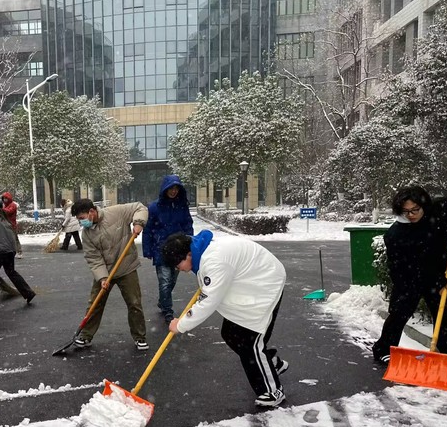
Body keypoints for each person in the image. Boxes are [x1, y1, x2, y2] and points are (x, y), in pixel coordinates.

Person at [162, 231, 288, 407]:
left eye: (177, 264)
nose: (178, 269)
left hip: (265, 283)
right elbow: (209, 291)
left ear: (188, 254)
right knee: (230, 333)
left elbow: (209, 301)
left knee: (250, 342)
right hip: (249, 281)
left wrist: (181, 325)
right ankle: (271, 363)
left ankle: (272, 391)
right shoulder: (202, 253)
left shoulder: (214, 261)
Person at [372, 186, 447, 366]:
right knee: (399, 313)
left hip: (436, 272)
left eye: (415, 210)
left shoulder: (437, 212)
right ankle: (383, 350)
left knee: (442, 316)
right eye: (406, 211)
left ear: (424, 205)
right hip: (408, 277)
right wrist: (439, 281)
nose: (411, 214)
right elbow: (410, 266)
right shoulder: (396, 235)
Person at [71, 198, 149, 351]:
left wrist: (138, 223)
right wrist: (103, 278)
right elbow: (94, 258)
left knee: (134, 303)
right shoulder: (87, 234)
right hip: (106, 270)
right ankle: (85, 335)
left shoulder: (116, 213)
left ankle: (140, 337)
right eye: (79, 220)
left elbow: (140, 207)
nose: (81, 223)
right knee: (95, 303)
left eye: (82, 218)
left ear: (92, 212)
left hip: (126, 267)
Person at [143, 174, 194, 324]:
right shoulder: (154, 207)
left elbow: (188, 225)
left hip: (179, 249)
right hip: (161, 249)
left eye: (176, 188)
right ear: (165, 189)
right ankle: (167, 310)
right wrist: (147, 249)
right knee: (164, 281)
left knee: (172, 280)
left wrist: (189, 242)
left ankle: (163, 301)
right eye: (171, 188)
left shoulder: (182, 206)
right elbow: (148, 229)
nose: (174, 191)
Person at [1, 191, 23, 258]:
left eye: (6, 198)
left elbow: (9, 211)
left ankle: (19, 252)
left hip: (12, 225)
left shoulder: (12, 205)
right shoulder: (4, 206)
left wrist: (1, 210)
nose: (5, 200)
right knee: (7, 239)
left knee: (15, 239)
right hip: (5, 225)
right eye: (4, 198)